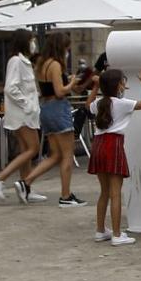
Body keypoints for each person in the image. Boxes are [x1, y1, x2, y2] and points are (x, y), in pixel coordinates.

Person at [17, 32, 96, 207]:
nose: (68, 51)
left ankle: (26, 181)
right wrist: (72, 81)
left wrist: (79, 82)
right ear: (61, 47)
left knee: (55, 154)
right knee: (68, 154)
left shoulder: (41, 64)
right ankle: (65, 196)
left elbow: (59, 88)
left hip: (46, 108)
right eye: (67, 48)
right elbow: (60, 91)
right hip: (58, 108)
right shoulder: (55, 65)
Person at [87, 68, 141, 246]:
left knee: (104, 192)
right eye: (123, 81)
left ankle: (100, 230)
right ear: (118, 85)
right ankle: (117, 234)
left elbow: (89, 105)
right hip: (113, 145)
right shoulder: (122, 103)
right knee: (116, 193)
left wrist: (95, 87)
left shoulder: (99, 103)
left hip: (98, 145)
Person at [0, 30, 45, 203]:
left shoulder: (24, 62)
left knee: (25, 150)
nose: (34, 43)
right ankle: (0, 178)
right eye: (31, 40)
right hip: (23, 114)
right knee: (33, 149)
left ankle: (26, 188)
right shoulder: (16, 61)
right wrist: (26, 104)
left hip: (26, 113)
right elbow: (10, 88)